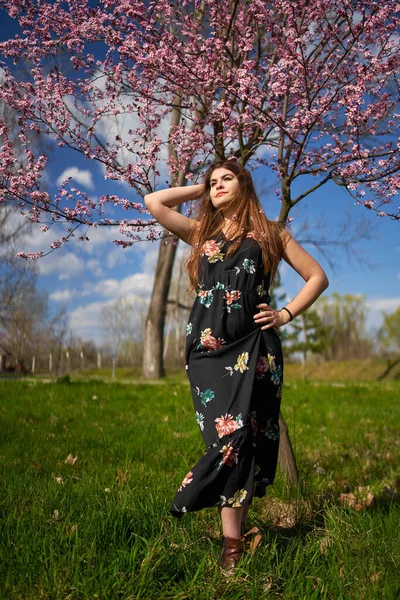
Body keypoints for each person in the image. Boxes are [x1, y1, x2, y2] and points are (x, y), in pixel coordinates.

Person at [144, 160, 329, 571]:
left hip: (255, 346)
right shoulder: (201, 234)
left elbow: (317, 276)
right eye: (213, 182)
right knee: (227, 438)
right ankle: (198, 506)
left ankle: (232, 546)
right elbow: (153, 201)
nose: (218, 185)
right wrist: (200, 191)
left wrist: (284, 314)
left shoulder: (270, 234)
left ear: (245, 184)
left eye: (227, 178)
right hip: (208, 350)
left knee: (246, 436)